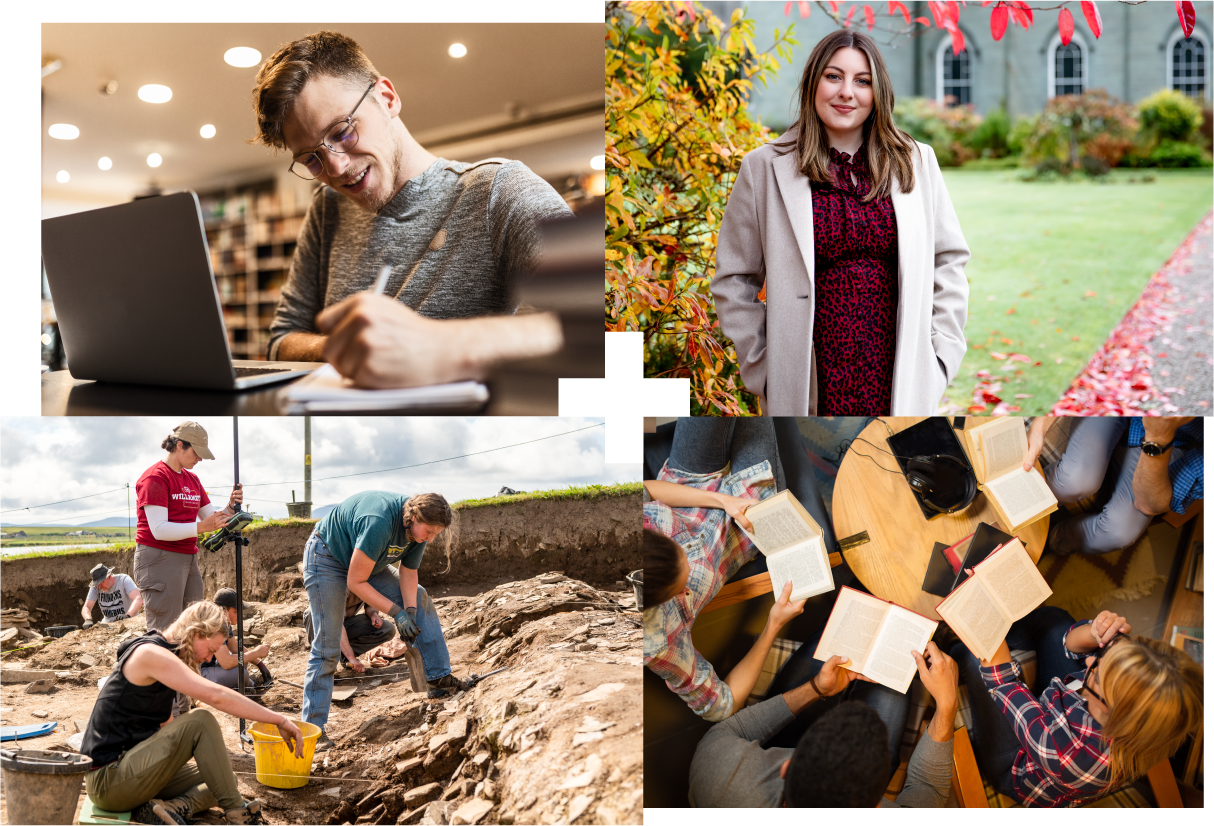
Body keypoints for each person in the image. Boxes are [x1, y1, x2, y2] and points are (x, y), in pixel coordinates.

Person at [249, 30, 572, 387]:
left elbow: (605, 328)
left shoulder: (500, 192)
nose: (336, 168)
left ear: (386, 98)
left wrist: (440, 346)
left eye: (342, 132)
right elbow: (280, 341)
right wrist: (346, 349)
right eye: (312, 159)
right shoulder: (327, 209)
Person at [711, 28, 968, 415]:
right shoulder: (763, 168)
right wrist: (762, 367)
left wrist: (941, 359)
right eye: (834, 76)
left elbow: (948, 262)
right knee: (812, 476)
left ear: (877, 92)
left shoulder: (916, 160)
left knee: (884, 473)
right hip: (807, 380)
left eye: (862, 81)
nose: (847, 92)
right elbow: (733, 279)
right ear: (813, 82)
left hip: (898, 375)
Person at [643, 418, 838, 721]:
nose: (687, 588)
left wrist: (720, 499)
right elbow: (720, 706)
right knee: (753, 397)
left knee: (722, 388)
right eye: (682, 589)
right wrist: (773, 624)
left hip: (687, 484)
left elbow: (646, 491)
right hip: (746, 526)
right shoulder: (656, 641)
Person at [949, 606, 1204, 807]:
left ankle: (952, 648)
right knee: (1056, 620)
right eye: (1106, 653)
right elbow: (1072, 645)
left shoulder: (1069, 755)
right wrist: (1094, 633)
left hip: (1019, 765)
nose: (1090, 658)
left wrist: (987, 641)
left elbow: (1003, 682)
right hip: (1058, 719)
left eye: (1094, 672)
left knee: (974, 659)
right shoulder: (1141, 720)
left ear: (1107, 707)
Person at [80, 601, 303, 826]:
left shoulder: (167, 659)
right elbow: (217, 696)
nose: (209, 659)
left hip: (130, 771)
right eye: (212, 651)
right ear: (196, 633)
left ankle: (171, 808)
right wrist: (279, 719)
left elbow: (166, 727)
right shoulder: (151, 653)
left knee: (223, 780)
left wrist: (201, 754)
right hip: (108, 781)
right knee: (200, 721)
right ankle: (240, 816)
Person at [688, 640, 958, 807]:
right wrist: (947, 704)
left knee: (842, 643)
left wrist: (817, 688)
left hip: (761, 768)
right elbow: (928, 789)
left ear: (787, 767)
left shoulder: (719, 780)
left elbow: (734, 729)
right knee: (897, 660)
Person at [302, 491, 469, 751]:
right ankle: (312, 730)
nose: (431, 538)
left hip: (367, 561)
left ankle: (438, 679)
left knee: (420, 597)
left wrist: (410, 610)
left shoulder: (419, 529)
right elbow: (356, 582)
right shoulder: (379, 520)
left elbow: (409, 572)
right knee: (327, 646)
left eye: (436, 533)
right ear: (413, 517)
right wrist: (396, 612)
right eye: (429, 531)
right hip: (327, 557)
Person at [1024, 416, 1203, 555]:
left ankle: (1053, 539)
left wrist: (1158, 439)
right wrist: (1039, 427)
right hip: (1120, 398)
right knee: (1075, 481)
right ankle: (1017, 503)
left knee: (1120, 532)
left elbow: (1149, 505)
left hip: (1174, 442)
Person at [134, 422, 244, 633]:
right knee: (165, 629)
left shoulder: (192, 480)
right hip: (160, 558)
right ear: (180, 445)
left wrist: (230, 507)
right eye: (197, 452)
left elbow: (211, 518)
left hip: (187, 556)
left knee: (192, 627)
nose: (200, 459)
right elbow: (159, 529)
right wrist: (201, 527)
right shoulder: (155, 477)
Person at [304, 587, 397, 673]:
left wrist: (373, 614)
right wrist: (352, 657)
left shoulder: (370, 580)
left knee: (387, 629)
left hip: (345, 621)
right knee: (313, 613)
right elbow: (337, 625)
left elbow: (370, 605)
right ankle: (323, 662)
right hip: (323, 620)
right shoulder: (341, 586)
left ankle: (342, 655)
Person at [199, 589, 272, 691]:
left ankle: (243, 684)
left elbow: (235, 647)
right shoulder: (215, 625)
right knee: (241, 673)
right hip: (200, 674)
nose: (239, 615)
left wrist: (260, 664)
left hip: (211, 666)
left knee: (243, 659)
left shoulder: (224, 622)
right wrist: (256, 653)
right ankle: (250, 686)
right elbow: (226, 662)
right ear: (223, 610)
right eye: (235, 611)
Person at [82, 563, 143, 628]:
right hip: (108, 624)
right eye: (97, 583)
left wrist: (128, 615)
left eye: (101, 582)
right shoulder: (96, 586)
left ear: (109, 576)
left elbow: (138, 599)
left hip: (129, 622)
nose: (99, 586)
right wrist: (88, 619)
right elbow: (87, 607)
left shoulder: (124, 580)